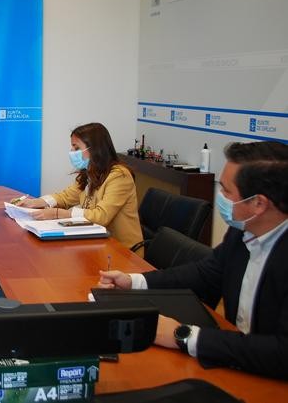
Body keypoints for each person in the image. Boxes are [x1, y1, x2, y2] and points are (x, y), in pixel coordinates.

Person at [98, 141, 288, 380]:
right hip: (236, 361)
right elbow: (204, 274)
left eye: (227, 191)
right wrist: (133, 281)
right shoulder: (242, 233)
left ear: (259, 204)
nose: (221, 197)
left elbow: (282, 354)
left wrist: (183, 335)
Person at [15, 122, 142, 248]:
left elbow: (101, 216)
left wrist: (59, 213)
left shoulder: (119, 176)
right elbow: (66, 196)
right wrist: (36, 202)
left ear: (94, 149)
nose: (72, 152)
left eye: (76, 148)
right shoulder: (90, 172)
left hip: (123, 251)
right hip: (97, 243)